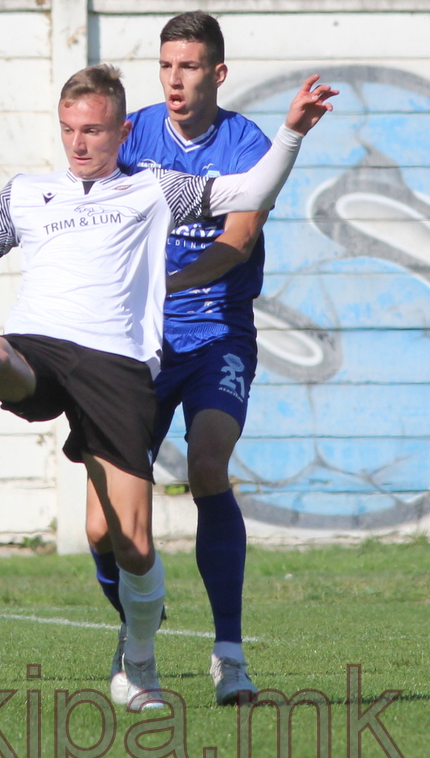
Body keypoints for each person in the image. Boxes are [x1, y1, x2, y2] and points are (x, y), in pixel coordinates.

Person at [0, 66, 334, 711]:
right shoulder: (26, 193)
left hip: (117, 367)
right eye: (68, 129)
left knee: (134, 544)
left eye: (92, 130)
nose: (78, 142)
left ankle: (138, 663)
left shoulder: (153, 188)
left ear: (122, 132)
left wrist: (291, 132)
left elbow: (251, 189)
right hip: (40, 344)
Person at [93, 10, 270, 707]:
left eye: (190, 66)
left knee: (208, 464)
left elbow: (239, 239)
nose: (175, 79)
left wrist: (169, 282)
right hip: (137, 341)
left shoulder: (247, 142)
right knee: (102, 524)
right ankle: (139, 618)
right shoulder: (130, 132)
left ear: (217, 73)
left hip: (217, 332)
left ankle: (229, 655)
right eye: (166, 65)